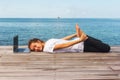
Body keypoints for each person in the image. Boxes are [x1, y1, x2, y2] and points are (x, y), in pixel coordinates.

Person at [28, 24, 110, 53]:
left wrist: (75, 36)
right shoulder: (47, 46)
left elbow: (63, 42)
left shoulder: (47, 45)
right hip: (81, 45)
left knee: (105, 48)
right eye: (34, 49)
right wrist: (79, 38)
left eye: (35, 46)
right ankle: (84, 37)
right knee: (104, 46)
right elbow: (64, 44)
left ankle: (84, 37)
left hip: (80, 45)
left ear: (38, 41)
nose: (36, 49)